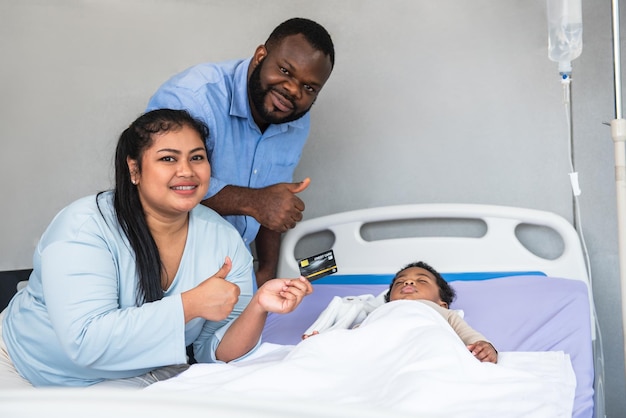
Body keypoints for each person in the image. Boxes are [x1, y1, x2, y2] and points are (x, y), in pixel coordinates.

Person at [0, 109, 312, 388]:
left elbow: (215, 350)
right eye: (168, 158)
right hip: (28, 371)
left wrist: (259, 305)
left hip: (132, 380)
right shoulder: (84, 228)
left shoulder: (221, 238)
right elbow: (86, 342)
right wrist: (190, 304)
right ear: (134, 169)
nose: (186, 171)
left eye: (197, 157)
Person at [145, 17, 335, 288]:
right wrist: (255, 202)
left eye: (309, 88)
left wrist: (267, 270)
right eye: (285, 70)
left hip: (234, 271)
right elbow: (162, 183)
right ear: (260, 56)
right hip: (167, 268)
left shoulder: (295, 120)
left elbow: (274, 198)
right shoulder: (192, 98)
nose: (292, 90)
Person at [385, 261, 498, 363]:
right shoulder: (382, 311)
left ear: (442, 305)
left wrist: (484, 347)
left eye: (422, 281)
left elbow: (468, 335)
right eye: (400, 282)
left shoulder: (441, 312)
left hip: (429, 352)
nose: (408, 282)